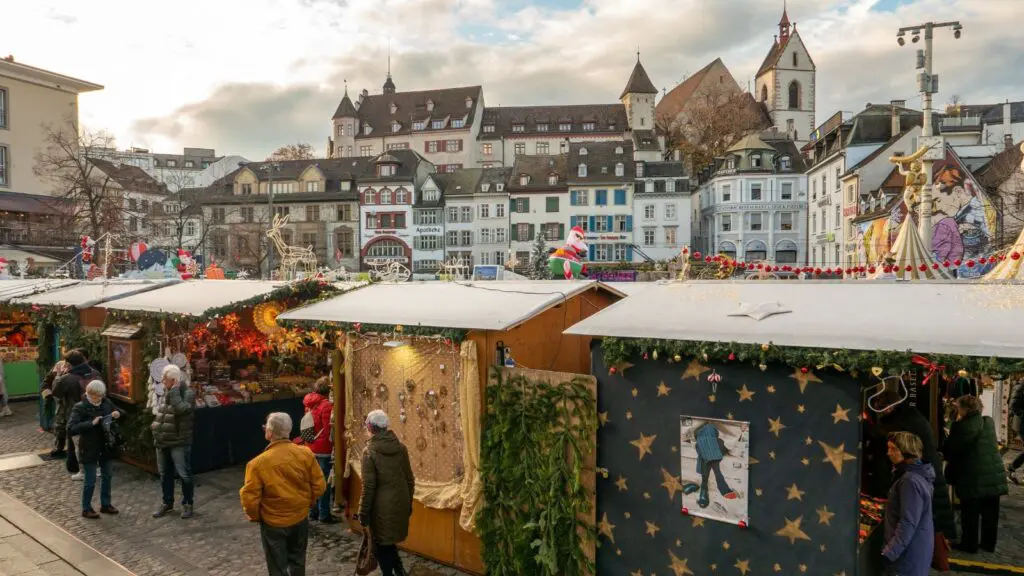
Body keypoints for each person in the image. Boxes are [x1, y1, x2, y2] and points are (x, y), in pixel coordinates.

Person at [241, 412, 326, 576]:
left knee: (277, 567)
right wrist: (308, 501)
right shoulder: (305, 454)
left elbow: (250, 498)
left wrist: (256, 516)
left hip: (273, 521)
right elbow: (319, 485)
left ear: (269, 433)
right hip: (299, 516)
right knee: (298, 561)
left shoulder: (257, 464)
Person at [874, 393, 958, 540]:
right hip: (927, 466)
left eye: (882, 408)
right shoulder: (910, 414)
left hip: (921, 467)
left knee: (928, 515)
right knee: (933, 511)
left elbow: (884, 433)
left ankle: (936, 547)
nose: (882, 412)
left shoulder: (900, 420)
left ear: (891, 406)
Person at [943, 395, 1008, 553]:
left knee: (970, 514)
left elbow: (950, 450)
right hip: (993, 476)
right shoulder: (988, 422)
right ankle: (988, 544)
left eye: (958, 408)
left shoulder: (961, 427)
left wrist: (951, 426)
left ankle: (969, 545)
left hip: (972, 477)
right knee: (990, 515)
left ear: (964, 409)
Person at [357, 410, 415, 576]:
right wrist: (409, 502)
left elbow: (368, 486)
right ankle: (399, 569)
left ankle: (390, 572)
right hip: (400, 498)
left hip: (381, 505)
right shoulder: (401, 447)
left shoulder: (369, 452)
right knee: (387, 539)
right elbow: (409, 478)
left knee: (381, 541)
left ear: (370, 428)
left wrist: (363, 511)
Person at [882, 431, 935, 576]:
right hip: (913, 549)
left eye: (893, 449)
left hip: (908, 554)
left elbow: (908, 522)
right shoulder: (915, 475)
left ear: (906, 452)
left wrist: (890, 553)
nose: (888, 453)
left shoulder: (909, 481)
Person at [67, 380, 121, 519]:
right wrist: (91, 423)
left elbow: (120, 412)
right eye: (98, 396)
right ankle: (86, 508)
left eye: (102, 395)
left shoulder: (106, 402)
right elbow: (71, 428)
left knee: (107, 476)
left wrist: (117, 414)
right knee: (90, 480)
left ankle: (106, 504)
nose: (100, 398)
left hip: (106, 445)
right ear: (90, 394)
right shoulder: (80, 407)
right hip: (89, 447)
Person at [151, 364, 196, 520]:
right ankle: (167, 502)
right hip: (163, 440)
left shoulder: (188, 393)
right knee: (165, 474)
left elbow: (181, 410)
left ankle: (187, 503)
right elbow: (163, 413)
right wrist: (156, 427)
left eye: (165, 379)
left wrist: (175, 390)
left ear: (174, 380)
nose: (163, 381)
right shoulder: (166, 391)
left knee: (184, 474)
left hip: (179, 441)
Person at [294, 377, 335, 523]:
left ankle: (313, 511)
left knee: (312, 481)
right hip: (323, 449)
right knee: (324, 482)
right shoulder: (326, 406)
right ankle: (324, 513)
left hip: (310, 446)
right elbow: (328, 429)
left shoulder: (309, 403)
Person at [51, 350, 99, 462]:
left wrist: (59, 376)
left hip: (75, 414)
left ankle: (82, 469)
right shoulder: (95, 373)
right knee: (93, 439)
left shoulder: (66, 378)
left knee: (76, 443)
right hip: (95, 411)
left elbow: (56, 393)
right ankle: (95, 464)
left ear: (68, 363)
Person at [40, 361, 68, 431]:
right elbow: (45, 384)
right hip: (54, 398)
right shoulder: (55, 371)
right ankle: (50, 426)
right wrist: (48, 395)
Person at [1008, 382, 1024, 484]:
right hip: (1021, 423)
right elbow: (1013, 406)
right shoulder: (1020, 387)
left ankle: (1012, 469)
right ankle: (1011, 468)